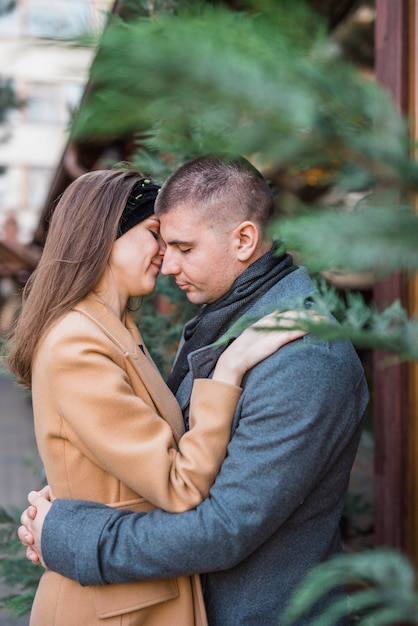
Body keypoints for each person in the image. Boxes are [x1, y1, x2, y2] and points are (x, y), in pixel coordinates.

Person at [19, 155, 369, 626]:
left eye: (184, 247)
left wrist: (68, 534)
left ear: (243, 239)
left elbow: (222, 529)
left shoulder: (302, 357)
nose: (168, 265)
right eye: (162, 242)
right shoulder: (220, 323)